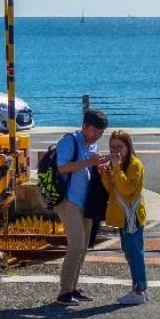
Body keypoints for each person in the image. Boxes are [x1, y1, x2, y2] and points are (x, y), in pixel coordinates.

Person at [54, 109, 109, 305]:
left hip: (86, 201)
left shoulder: (92, 145)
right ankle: (64, 292)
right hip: (68, 201)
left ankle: (73, 288)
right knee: (76, 244)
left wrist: (98, 166)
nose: (97, 136)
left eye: (101, 133)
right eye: (94, 131)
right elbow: (62, 167)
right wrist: (88, 162)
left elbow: (88, 169)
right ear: (84, 126)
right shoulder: (70, 141)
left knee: (83, 246)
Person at [101, 130, 149, 305]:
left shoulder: (134, 165)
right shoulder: (118, 165)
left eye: (119, 147)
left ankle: (139, 290)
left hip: (131, 215)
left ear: (128, 147)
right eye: (112, 147)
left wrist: (116, 168)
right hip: (124, 215)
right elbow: (112, 189)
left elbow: (127, 189)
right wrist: (105, 174)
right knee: (129, 253)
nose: (115, 151)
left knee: (135, 253)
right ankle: (139, 288)